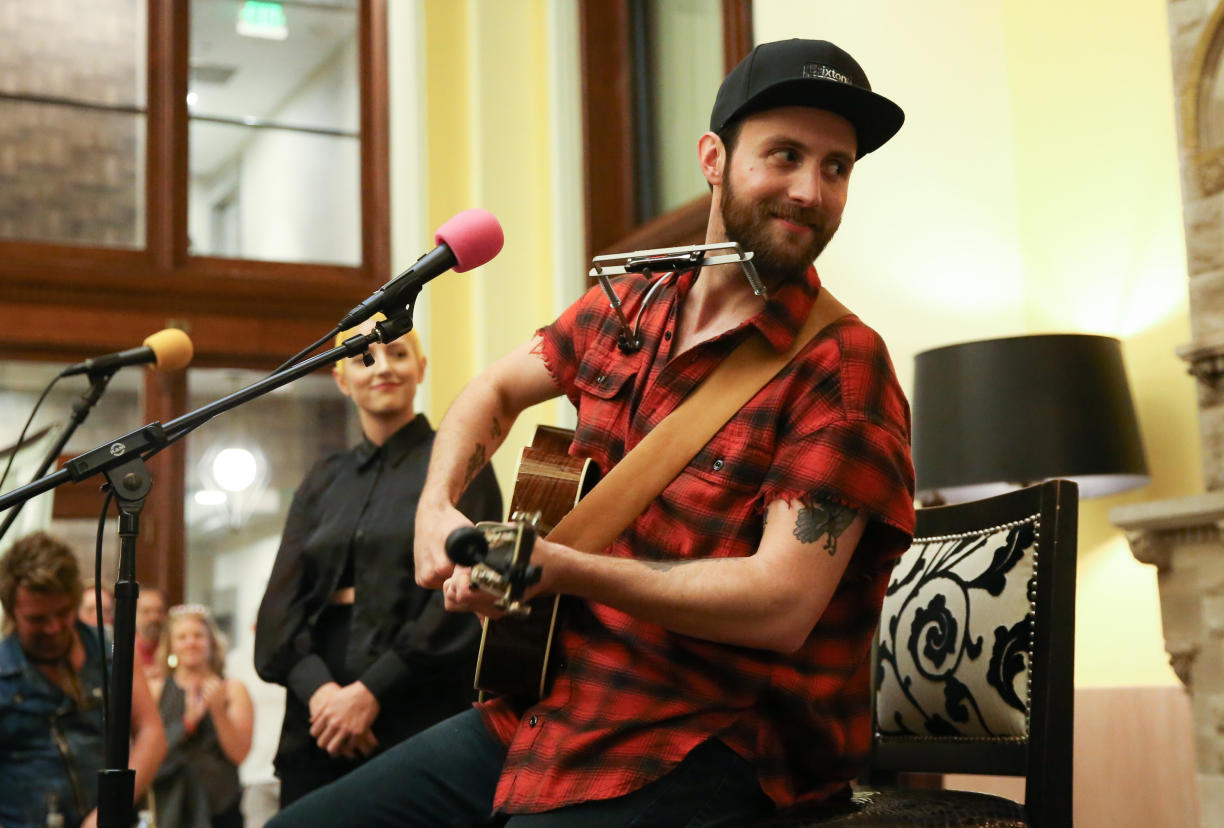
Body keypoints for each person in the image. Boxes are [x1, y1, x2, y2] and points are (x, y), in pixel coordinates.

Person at [269, 38, 916, 827]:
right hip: (546, 706)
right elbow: (495, 391)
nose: (811, 190)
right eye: (783, 155)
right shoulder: (629, 307)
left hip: (721, 741)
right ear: (714, 158)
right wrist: (436, 508)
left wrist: (566, 570)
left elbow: (781, 602)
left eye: (836, 166)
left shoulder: (843, 367)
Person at [255, 319, 504, 807]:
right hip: (318, 724)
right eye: (362, 358)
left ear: (421, 369)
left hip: (420, 714)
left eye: (397, 354)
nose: (382, 367)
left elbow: (472, 590)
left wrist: (369, 693)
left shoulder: (459, 462)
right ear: (342, 380)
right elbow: (277, 613)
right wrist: (325, 696)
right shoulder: (323, 479)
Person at [0, 531, 167, 828]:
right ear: (12, 610)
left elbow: (151, 733)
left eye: (63, 613)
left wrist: (107, 812)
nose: (53, 628)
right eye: (37, 619)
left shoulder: (112, 649)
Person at [152, 603, 254, 828]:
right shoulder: (157, 689)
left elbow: (239, 753)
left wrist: (218, 712)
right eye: (182, 637)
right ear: (171, 645)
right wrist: (187, 723)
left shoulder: (233, 689)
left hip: (221, 807)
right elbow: (147, 752)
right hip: (170, 807)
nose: (191, 643)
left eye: (198, 636)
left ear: (211, 641)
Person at [135, 586, 168, 686]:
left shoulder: (177, 649)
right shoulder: (123, 650)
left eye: (159, 611)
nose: (154, 617)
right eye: (146, 611)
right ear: (135, 615)